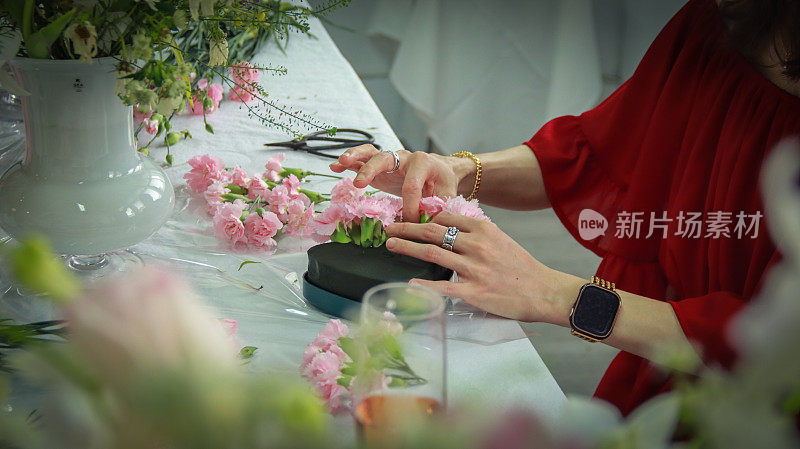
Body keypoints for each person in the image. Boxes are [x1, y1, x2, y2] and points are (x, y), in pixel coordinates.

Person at [330, 0, 800, 415]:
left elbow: (781, 348)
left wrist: (558, 295)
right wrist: (454, 170)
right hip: (661, 378)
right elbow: (596, 152)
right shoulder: (721, 18)